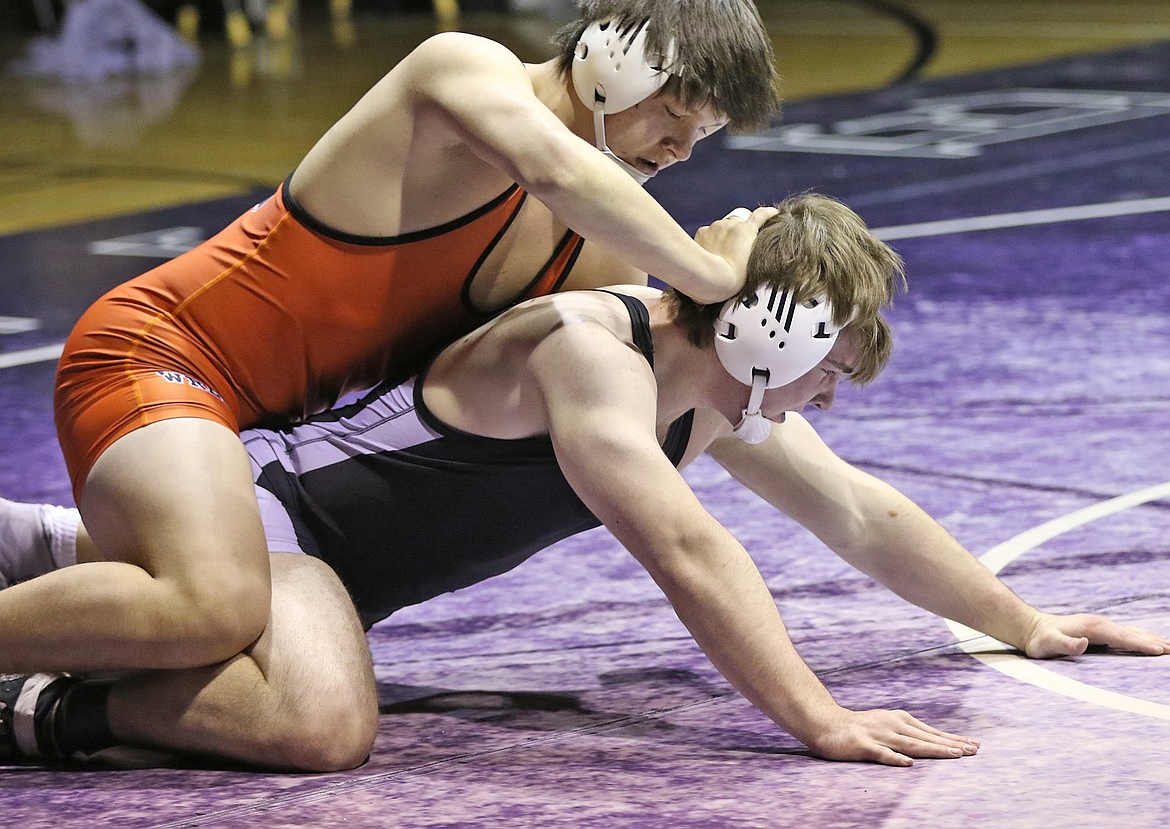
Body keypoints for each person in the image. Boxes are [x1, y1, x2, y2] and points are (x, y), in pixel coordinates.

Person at [3, 195, 1165, 772]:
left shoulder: (707, 395)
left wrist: (1027, 623)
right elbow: (689, 553)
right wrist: (820, 717)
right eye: (838, 359)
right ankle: (37, 705)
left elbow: (863, 511)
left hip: (315, 569)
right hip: (276, 523)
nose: (839, 389)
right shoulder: (589, 356)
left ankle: (54, 560)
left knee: (298, 682)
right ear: (768, 331)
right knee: (320, 718)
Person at [1, 0, 780, 680]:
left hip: (255, 428)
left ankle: (35, 542)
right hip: (156, 353)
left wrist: (773, 380)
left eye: (703, 133)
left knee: (233, 618)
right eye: (674, 113)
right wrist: (713, 272)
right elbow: (553, 168)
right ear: (610, 55)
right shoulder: (461, 70)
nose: (680, 149)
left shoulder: (596, 253)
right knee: (217, 603)